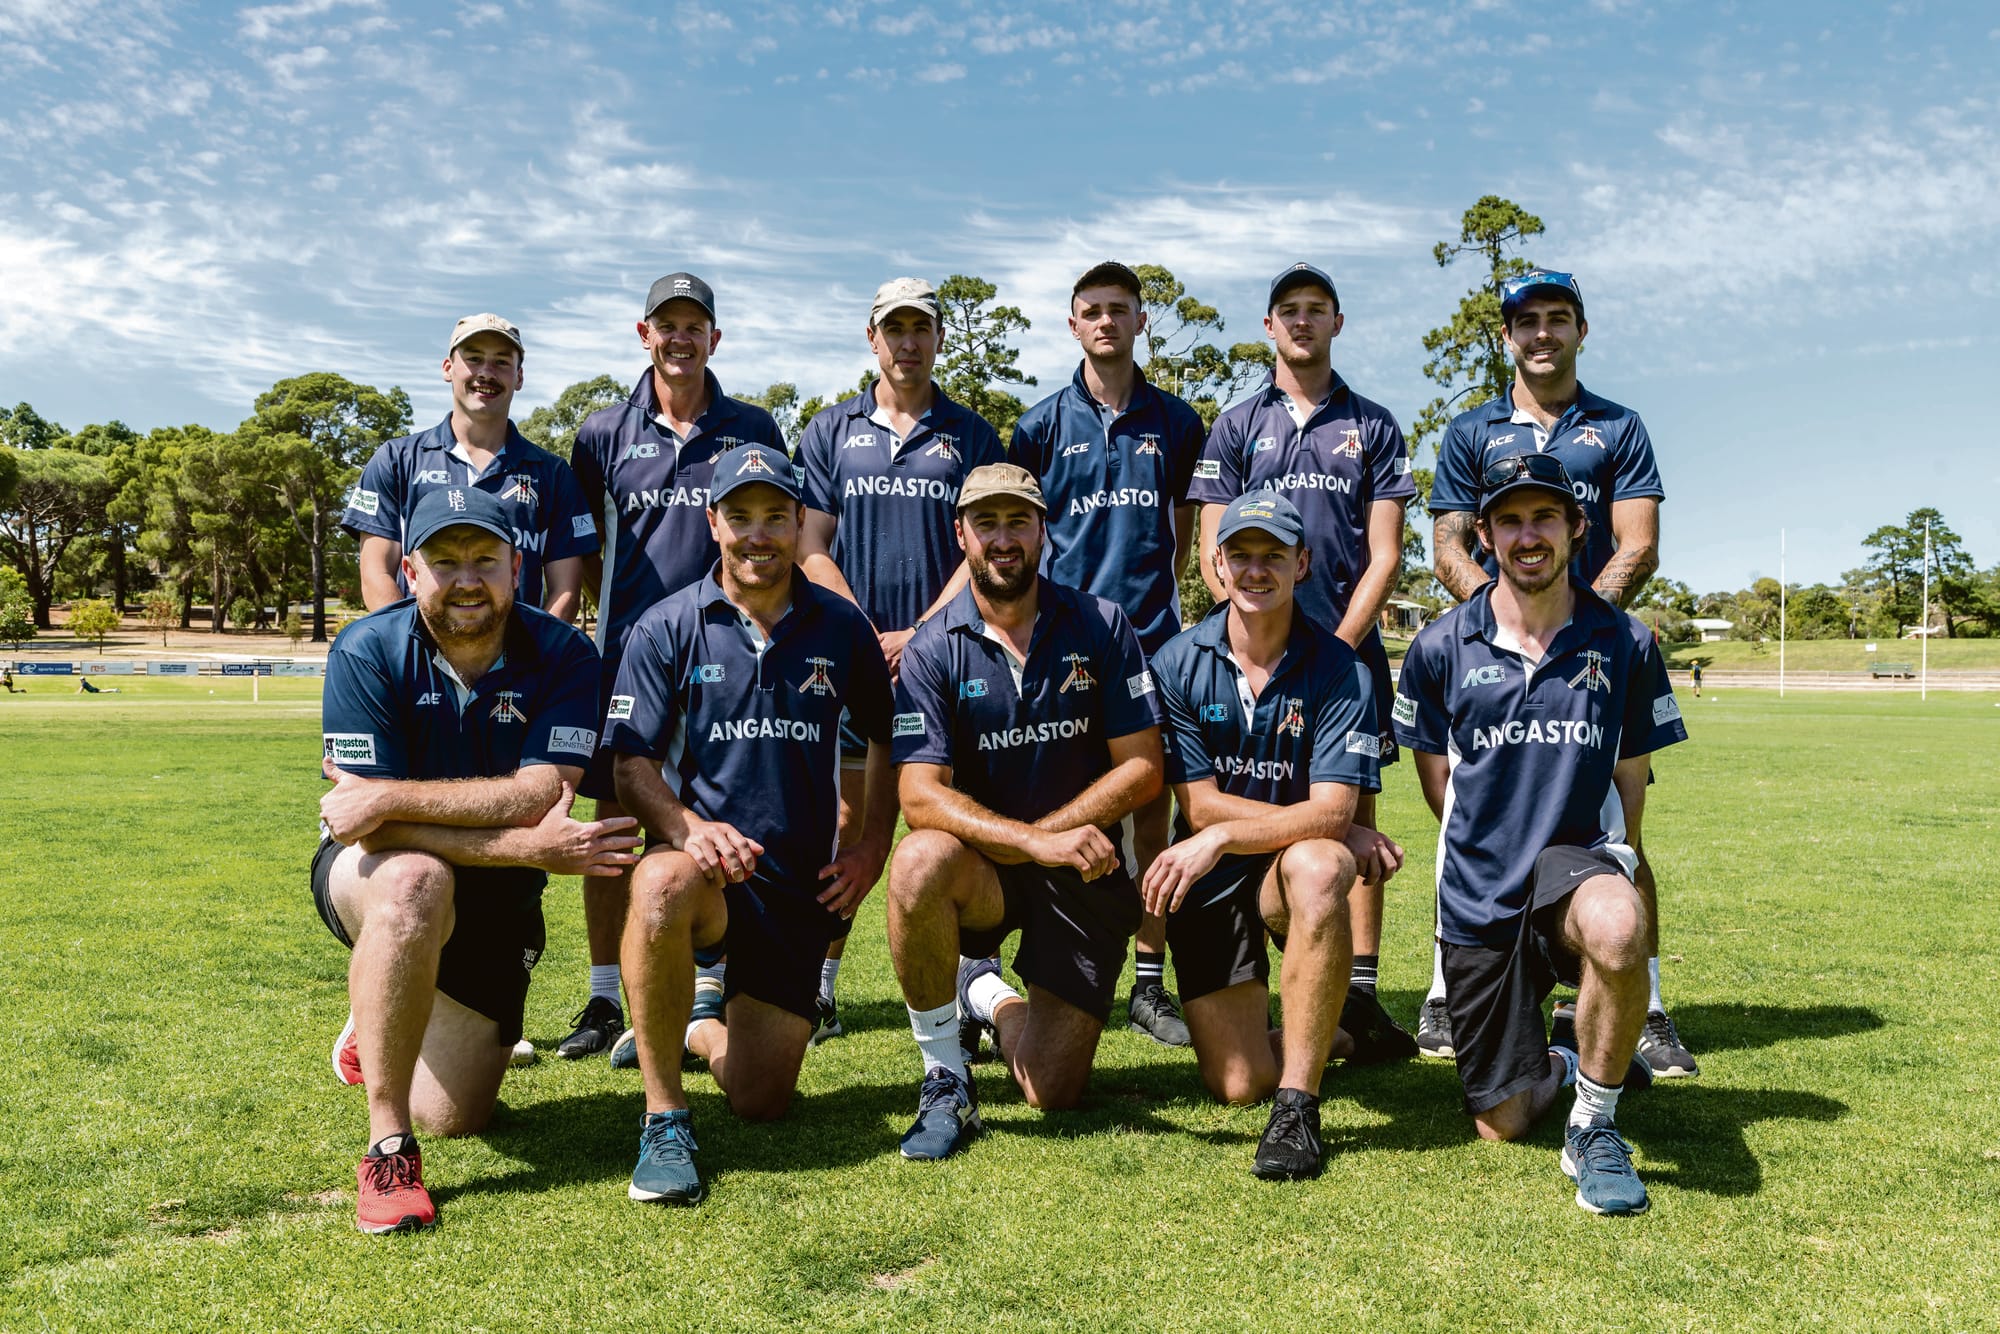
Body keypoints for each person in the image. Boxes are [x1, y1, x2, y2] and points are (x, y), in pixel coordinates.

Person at [313, 487, 641, 1234]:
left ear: (516, 567)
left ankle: (379, 1018)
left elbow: (541, 791)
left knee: (457, 1116)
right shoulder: (366, 649)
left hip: (498, 901)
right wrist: (530, 845)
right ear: (409, 573)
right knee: (412, 881)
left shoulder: (563, 653)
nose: (467, 579)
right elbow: (371, 831)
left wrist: (395, 796)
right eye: (445, 561)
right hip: (373, 869)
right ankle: (387, 1146)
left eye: (484, 560)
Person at [1393, 452, 1687, 1215]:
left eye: (1546, 516)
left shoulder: (1625, 641)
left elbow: (1631, 777)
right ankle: (1570, 1054)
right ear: (1485, 535)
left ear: (1577, 528)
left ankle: (1595, 1124)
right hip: (1480, 889)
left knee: (1619, 928)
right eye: (1511, 519)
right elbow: (1437, 781)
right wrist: (1487, 846)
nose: (1530, 535)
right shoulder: (1437, 647)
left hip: (1573, 862)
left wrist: (1618, 865)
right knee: (1504, 1120)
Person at [606, 443, 896, 1205]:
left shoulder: (842, 628)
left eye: (775, 516)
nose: (757, 534)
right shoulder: (665, 626)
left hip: (795, 888)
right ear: (713, 523)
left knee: (761, 1101)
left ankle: (694, 1023)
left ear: (801, 523)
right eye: (741, 516)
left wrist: (871, 846)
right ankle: (663, 1116)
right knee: (661, 882)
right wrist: (686, 828)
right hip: (706, 874)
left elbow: (889, 738)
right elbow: (629, 763)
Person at [1425, 269, 1694, 1079]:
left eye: (1558, 319)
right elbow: (1447, 545)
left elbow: (1638, 542)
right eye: (1527, 322)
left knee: (1620, 831)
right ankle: (1447, 991)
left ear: (1582, 330)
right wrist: (1504, 624)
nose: (1542, 334)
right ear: (1507, 336)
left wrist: (1579, 627)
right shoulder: (1472, 430)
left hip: (1594, 665)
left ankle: (1641, 1006)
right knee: (1464, 817)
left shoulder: (1617, 425)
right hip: (1494, 658)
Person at [886, 464, 1165, 1162]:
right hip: (987, 871)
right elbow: (918, 794)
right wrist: (1030, 844)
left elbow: (1143, 766)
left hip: (1078, 870)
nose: (1003, 539)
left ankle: (987, 994)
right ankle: (944, 1075)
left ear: (1044, 529)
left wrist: (1050, 839)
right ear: (962, 535)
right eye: (987, 523)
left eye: (1018, 521)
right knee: (918, 860)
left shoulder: (1100, 624)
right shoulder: (933, 646)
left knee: (1051, 1091)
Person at [1185, 261, 1418, 1064]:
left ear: (1337, 323)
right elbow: (1213, 544)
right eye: (1289, 309)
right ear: (1269, 325)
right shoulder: (1237, 423)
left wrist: (1338, 649)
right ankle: (1258, 971)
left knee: (1355, 817)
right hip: (1251, 653)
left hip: (1341, 652)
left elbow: (1385, 554)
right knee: (1253, 795)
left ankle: (1359, 988)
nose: (1303, 321)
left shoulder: (1374, 424)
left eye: (1318, 309)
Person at [1145, 493, 1403, 1179]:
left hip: (1282, 870)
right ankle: (1345, 1030)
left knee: (1320, 864)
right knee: (1236, 1083)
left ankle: (1297, 1107)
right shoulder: (1176, 662)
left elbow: (1326, 815)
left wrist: (1317, 830)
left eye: (1274, 556)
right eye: (1242, 555)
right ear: (1217, 565)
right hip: (1211, 879)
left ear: (1303, 562)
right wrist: (1327, 825)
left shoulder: (1343, 669)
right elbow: (1196, 807)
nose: (1256, 570)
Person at [562, 273, 785, 1065]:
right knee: (615, 823)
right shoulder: (600, 432)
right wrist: (628, 623)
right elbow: (584, 553)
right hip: (628, 656)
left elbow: (771, 532)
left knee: (711, 809)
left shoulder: (751, 426)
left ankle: (705, 986)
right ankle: (601, 992)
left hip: (728, 652)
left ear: (715, 338)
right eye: (668, 325)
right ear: (643, 333)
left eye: (696, 325)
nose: (680, 337)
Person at [795, 276, 1004, 1042]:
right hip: (852, 658)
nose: (907, 342)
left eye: (922, 328)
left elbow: (984, 544)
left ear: (939, 339)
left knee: (954, 819)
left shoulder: (971, 435)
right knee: (847, 822)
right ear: (871, 337)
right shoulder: (828, 431)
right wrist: (856, 626)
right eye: (895, 329)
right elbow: (809, 543)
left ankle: (972, 985)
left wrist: (919, 630)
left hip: (946, 654)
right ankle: (818, 985)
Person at [1011, 260, 1208, 1049]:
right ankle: (1030, 975)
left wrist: (1161, 597)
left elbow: (1185, 529)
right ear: (1072, 323)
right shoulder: (1039, 425)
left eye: (1118, 310)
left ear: (1139, 320)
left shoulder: (1178, 422)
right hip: (1061, 647)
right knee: (1050, 806)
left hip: (1152, 643)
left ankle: (1151, 985)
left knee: (1152, 810)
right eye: (1091, 310)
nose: (1105, 322)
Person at [342, 314, 596, 626]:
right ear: (448, 368)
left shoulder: (553, 473)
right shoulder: (396, 459)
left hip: (518, 667)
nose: (486, 373)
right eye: (474, 359)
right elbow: (376, 573)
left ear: (519, 376)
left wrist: (534, 660)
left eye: (502, 362)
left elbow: (565, 589)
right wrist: (411, 651)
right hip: (419, 666)